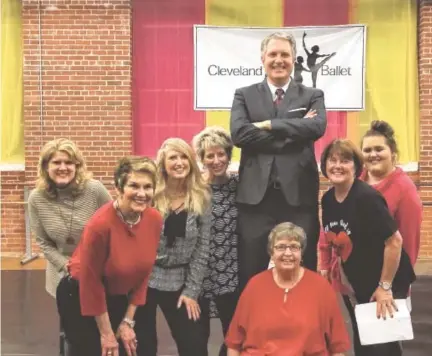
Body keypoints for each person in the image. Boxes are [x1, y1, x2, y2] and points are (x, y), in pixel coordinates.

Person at [230, 31, 327, 289]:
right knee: (250, 275)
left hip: (298, 200)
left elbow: (316, 128)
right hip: (254, 202)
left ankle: (302, 328)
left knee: (302, 273)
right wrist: (293, 132)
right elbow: (240, 134)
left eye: (284, 54)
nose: (278, 60)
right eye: (273, 54)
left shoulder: (312, 95)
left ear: (294, 59)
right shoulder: (244, 94)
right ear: (263, 58)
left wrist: (269, 125)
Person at [56, 156, 163, 356]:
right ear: (118, 188)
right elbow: (91, 284)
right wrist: (107, 334)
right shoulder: (100, 226)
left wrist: (127, 321)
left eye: (148, 187)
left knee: (142, 348)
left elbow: (144, 271)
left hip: (120, 295)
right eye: (134, 186)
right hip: (81, 295)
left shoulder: (154, 219)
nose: (142, 193)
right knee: (101, 351)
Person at [319, 139, 416, 356]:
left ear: (356, 166)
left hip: (384, 281)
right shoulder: (328, 199)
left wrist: (385, 287)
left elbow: (394, 241)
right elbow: (329, 237)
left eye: (345, 161)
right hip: (356, 283)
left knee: (382, 348)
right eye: (332, 160)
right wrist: (326, 266)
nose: (337, 166)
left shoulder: (367, 198)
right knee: (364, 343)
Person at [27, 138, 112, 354]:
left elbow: (115, 226)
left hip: (99, 272)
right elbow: (43, 242)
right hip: (63, 274)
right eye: (56, 162)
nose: (63, 167)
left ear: (77, 166)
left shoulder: (94, 190)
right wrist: (68, 266)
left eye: (69, 162)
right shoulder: (37, 198)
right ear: (46, 167)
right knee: (73, 336)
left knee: (103, 331)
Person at [135, 138, 212, 356]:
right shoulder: (149, 195)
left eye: (184, 157)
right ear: (163, 164)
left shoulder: (201, 197)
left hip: (181, 279)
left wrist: (192, 290)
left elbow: (202, 248)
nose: (179, 162)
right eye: (173, 157)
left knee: (194, 345)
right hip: (145, 279)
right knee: (142, 344)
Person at [225, 222, 350, 356]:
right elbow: (234, 343)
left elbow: (338, 347)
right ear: (271, 253)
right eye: (281, 247)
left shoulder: (321, 287)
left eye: (294, 247)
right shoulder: (255, 285)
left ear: (301, 253)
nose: (288, 253)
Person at [193, 126, 240, 356]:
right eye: (209, 155)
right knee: (197, 338)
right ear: (202, 159)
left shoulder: (239, 184)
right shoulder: (195, 189)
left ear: (229, 155)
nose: (216, 160)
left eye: (221, 154)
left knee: (234, 334)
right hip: (201, 275)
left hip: (231, 274)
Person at [360, 120, 422, 266]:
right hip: (353, 278)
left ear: (393, 153)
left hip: (387, 280)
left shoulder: (405, 190)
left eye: (379, 149)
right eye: (367, 150)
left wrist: (396, 284)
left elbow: (409, 243)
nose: (373, 154)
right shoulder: (354, 182)